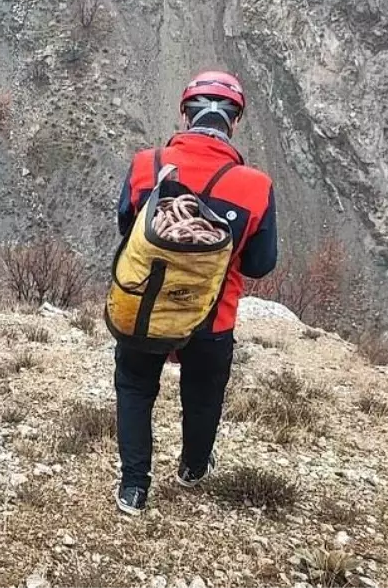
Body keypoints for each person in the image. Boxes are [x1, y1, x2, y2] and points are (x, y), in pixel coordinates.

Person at [112, 70, 278, 516]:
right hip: (212, 316)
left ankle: (133, 487)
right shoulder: (256, 186)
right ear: (235, 122)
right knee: (203, 395)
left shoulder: (146, 164)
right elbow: (261, 264)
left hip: (146, 306)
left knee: (134, 386)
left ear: (185, 114)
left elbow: (129, 229)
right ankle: (193, 469)